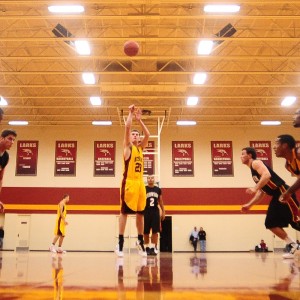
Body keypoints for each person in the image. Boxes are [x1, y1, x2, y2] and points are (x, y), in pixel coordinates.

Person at [240, 147, 300, 259]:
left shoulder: (256, 163)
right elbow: (262, 192)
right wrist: (249, 205)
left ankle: (294, 245)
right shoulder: (253, 172)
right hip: (277, 196)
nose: (240, 156)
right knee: (270, 223)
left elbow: (267, 176)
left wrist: (254, 187)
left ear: (250, 155)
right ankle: (293, 244)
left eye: (243, 154)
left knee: (296, 222)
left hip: (284, 193)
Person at [115, 104, 150, 257]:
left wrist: (140, 120)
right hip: (128, 183)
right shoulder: (127, 147)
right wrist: (130, 113)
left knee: (141, 213)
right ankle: (120, 243)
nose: (135, 135)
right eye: (133, 134)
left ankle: (140, 241)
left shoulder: (140, 149)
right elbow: (127, 128)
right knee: (124, 212)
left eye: (137, 134)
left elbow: (148, 134)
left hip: (140, 184)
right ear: (129, 138)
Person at [273, 134, 300, 207]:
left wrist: (288, 192)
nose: (274, 147)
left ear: (285, 145)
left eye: (277, 143)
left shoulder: (298, 153)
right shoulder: (288, 166)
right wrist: (289, 193)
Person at [144, 174, 165, 256]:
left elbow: (161, 201)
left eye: (152, 178)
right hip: (146, 211)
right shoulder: (144, 189)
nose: (150, 179)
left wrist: (163, 211)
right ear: (147, 180)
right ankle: (146, 248)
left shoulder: (158, 189)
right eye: (148, 178)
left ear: (154, 179)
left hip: (155, 211)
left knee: (155, 231)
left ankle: (153, 248)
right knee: (145, 231)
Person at [0, 129, 17, 210]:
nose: (12, 142)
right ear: (1, 138)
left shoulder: (6, 157)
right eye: (9, 139)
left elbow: (0, 179)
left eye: (13, 140)